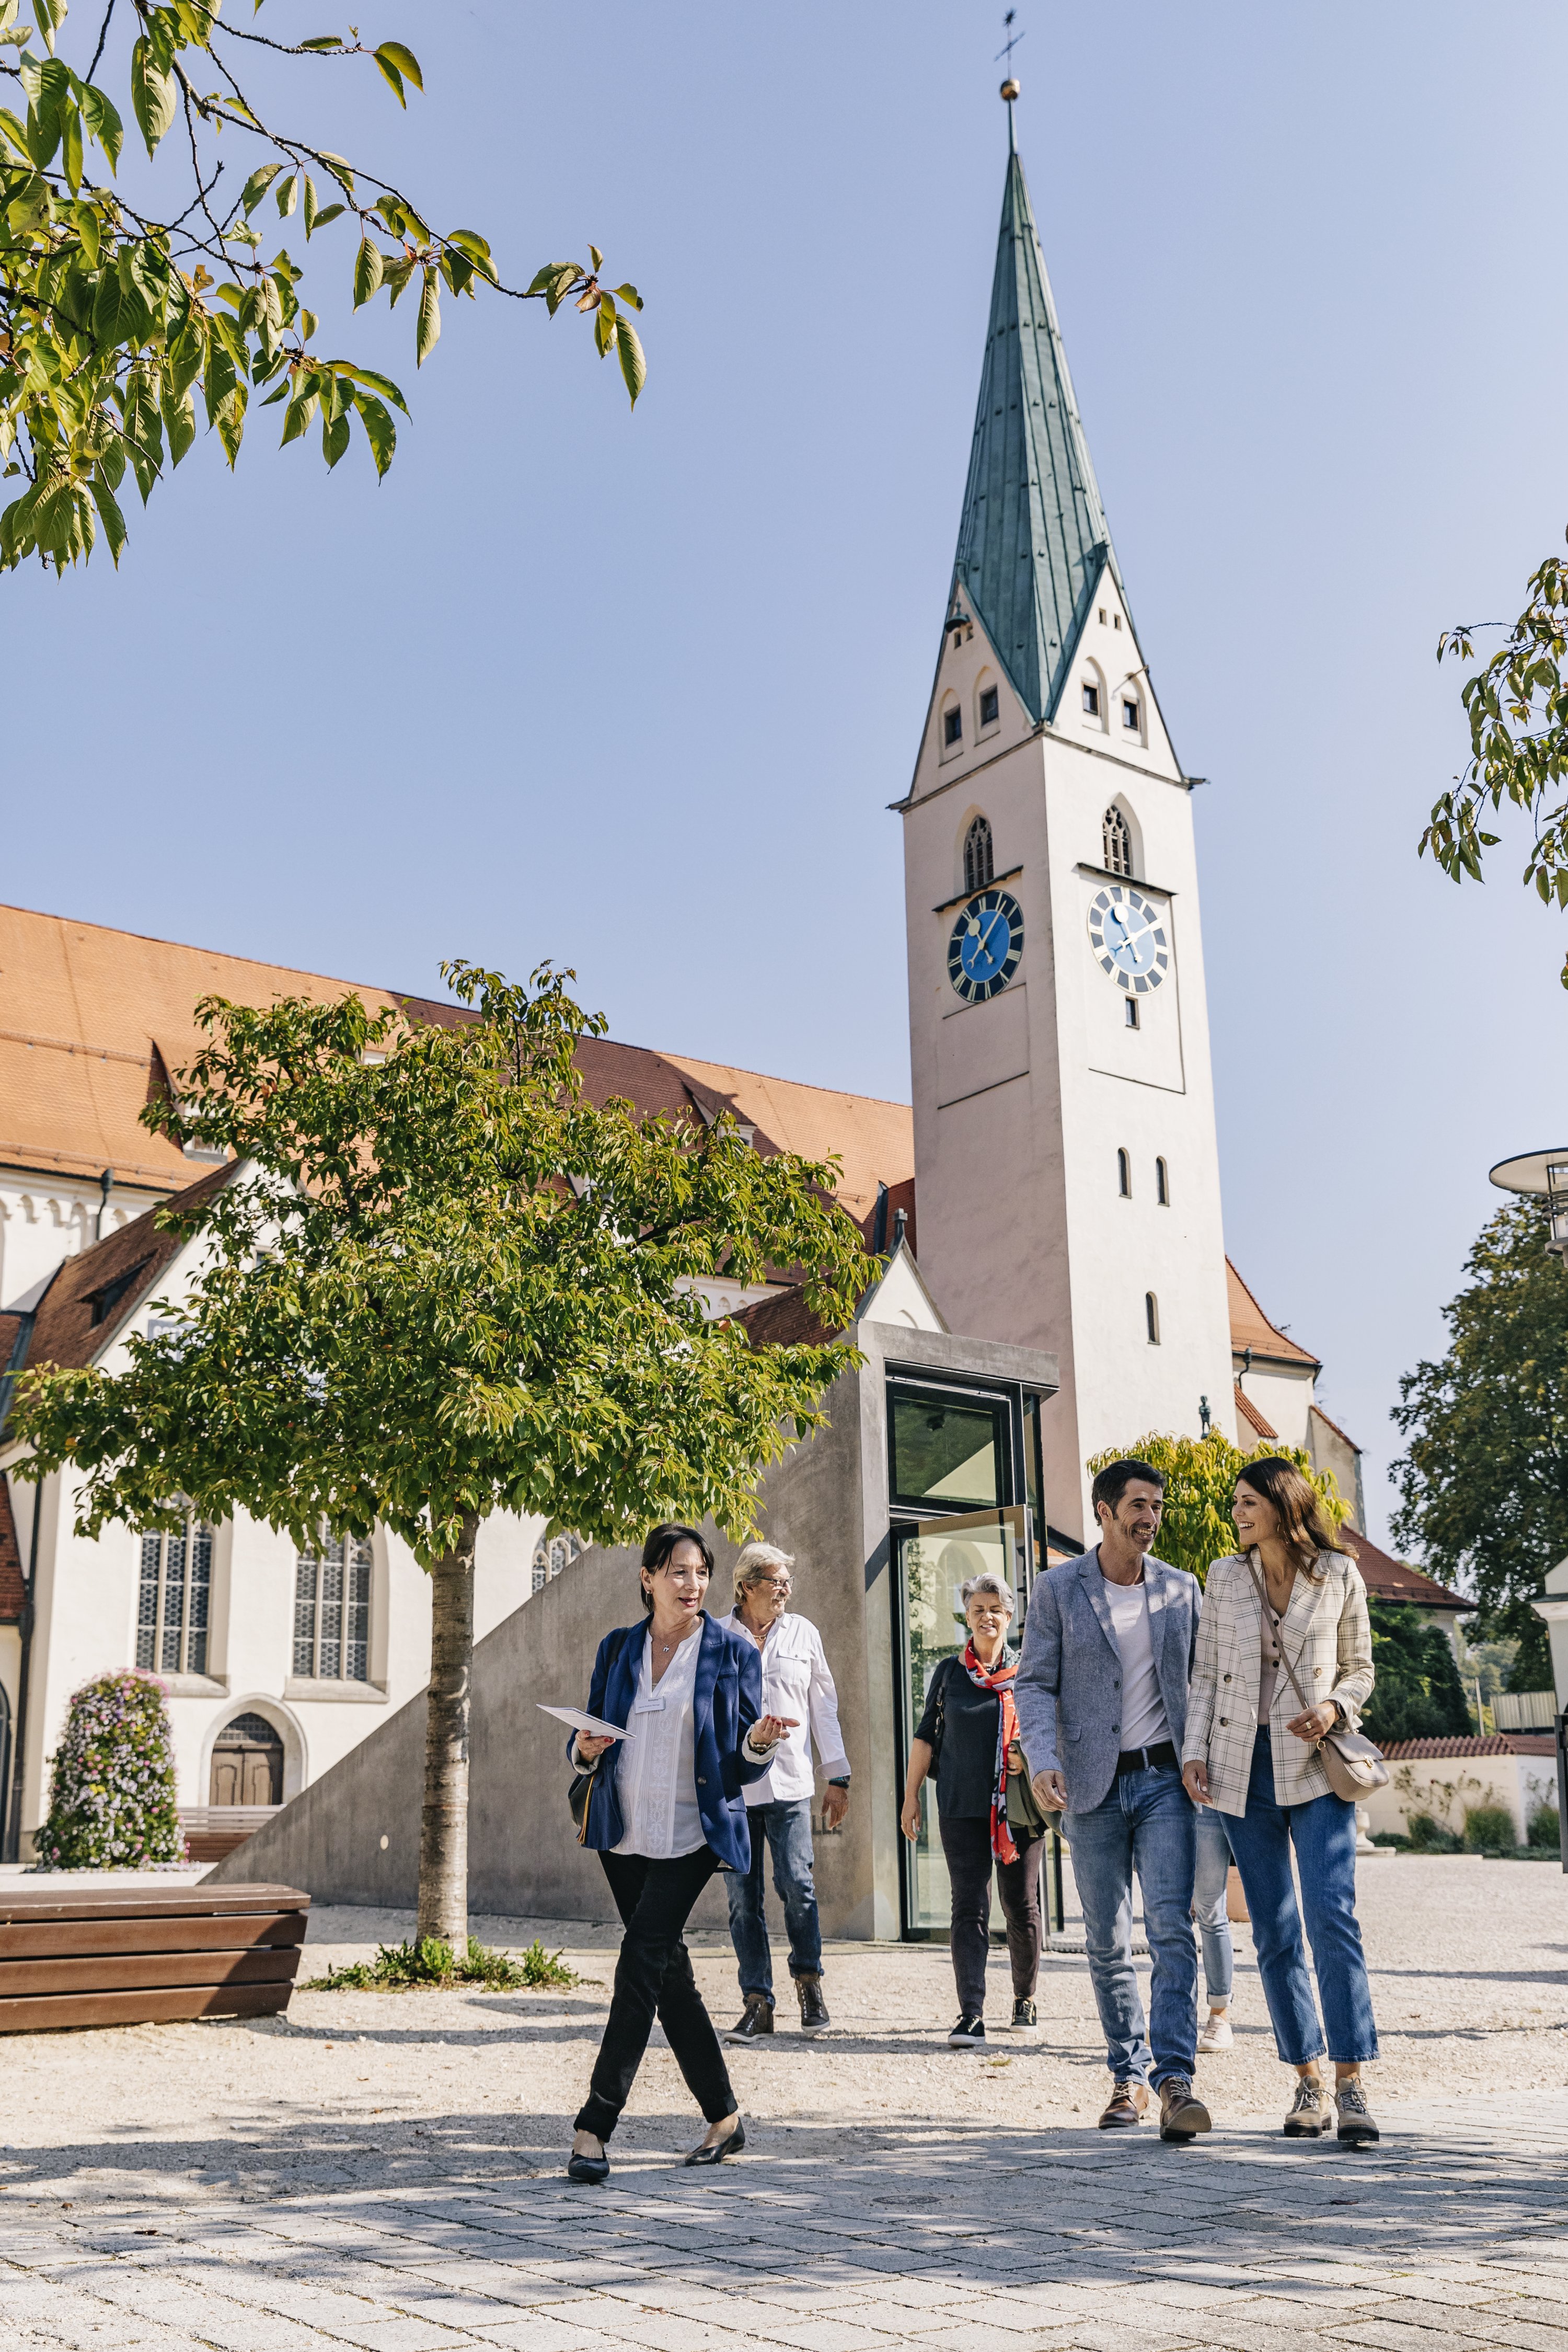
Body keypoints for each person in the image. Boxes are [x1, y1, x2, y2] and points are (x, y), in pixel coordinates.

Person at [564, 1523, 797, 2183]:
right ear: (648, 1578)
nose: (691, 1584)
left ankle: (594, 2124)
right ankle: (725, 2117)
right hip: (623, 1833)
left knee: (639, 1962)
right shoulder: (618, 1648)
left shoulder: (730, 1650)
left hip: (692, 1835)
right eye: (677, 1571)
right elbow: (587, 1739)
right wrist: (582, 1749)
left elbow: (746, 1766)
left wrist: (759, 1742)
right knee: (671, 1977)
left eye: (700, 1572)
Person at [1181, 1458, 1380, 2144]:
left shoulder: (1338, 1573)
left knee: (1332, 1914)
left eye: (1247, 1501)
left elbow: (1361, 1667)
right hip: (1242, 1771)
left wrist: (1332, 1704)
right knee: (1273, 1930)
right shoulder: (1223, 1575)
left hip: (1318, 1765)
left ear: (1281, 1504)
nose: (1236, 1512)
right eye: (1234, 1501)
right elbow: (1204, 1671)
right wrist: (1193, 1749)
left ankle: (1352, 2082)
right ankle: (1307, 2080)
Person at [1015, 1458, 1212, 2143]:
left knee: (1169, 1926)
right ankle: (1126, 2073)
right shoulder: (1058, 1588)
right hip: (1089, 1787)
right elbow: (1033, 1682)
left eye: (1157, 1505)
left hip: (1165, 1782)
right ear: (1104, 1510)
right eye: (1137, 1504)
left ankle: (1175, 2078)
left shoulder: (1181, 1590)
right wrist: (1041, 1757)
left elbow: (1204, 1685)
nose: (1149, 1516)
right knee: (1106, 1939)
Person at [900, 1570, 1044, 2048]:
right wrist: (910, 1795)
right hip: (961, 1806)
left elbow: (1052, 1730)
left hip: (1019, 1811)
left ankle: (1025, 1997)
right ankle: (971, 2013)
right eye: (978, 1609)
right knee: (969, 1906)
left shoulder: (1030, 1672)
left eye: (996, 1609)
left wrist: (1033, 1757)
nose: (987, 1616)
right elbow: (924, 1737)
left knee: (1020, 1906)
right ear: (967, 1617)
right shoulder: (949, 1673)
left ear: (1009, 1617)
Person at [719, 1543, 851, 2044]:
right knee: (741, 1899)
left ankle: (809, 1983)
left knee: (798, 1884)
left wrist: (838, 1777)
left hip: (791, 1783)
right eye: (776, 1581)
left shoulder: (804, 1632)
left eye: (787, 1581)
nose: (785, 1590)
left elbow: (824, 1706)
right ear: (747, 1585)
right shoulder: (716, 1635)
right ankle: (757, 2001)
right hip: (735, 1788)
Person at [1193, 1805, 1237, 2052]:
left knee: (1210, 1912)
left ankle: (1219, 2016)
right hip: (1165, 1790)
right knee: (1165, 1914)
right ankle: (1171, 2011)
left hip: (1212, 1798)